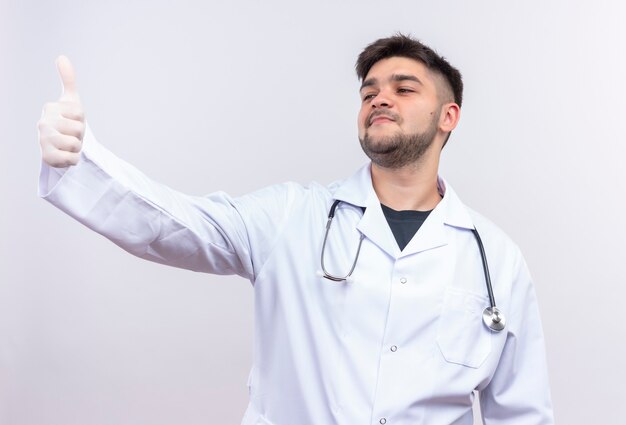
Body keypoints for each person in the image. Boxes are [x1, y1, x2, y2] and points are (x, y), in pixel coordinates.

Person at [37, 34, 554, 424]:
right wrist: (82, 159)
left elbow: (522, 413)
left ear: (449, 117)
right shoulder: (293, 216)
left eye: (403, 88)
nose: (379, 98)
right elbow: (176, 227)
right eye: (369, 90)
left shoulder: (496, 259)